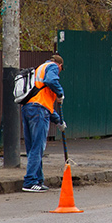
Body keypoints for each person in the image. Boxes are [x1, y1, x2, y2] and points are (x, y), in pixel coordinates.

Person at [22, 54, 65, 192]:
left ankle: (38, 180)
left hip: (28, 108)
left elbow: (44, 104)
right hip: (38, 111)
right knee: (37, 147)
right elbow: (51, 80)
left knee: (32, 147)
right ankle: (30, 181)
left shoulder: (39, 69)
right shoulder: (52, 67)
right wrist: (60, 93)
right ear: (60, 65)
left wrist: (58, 121)